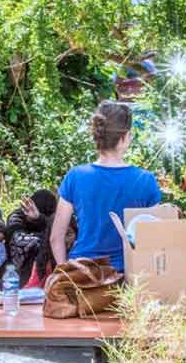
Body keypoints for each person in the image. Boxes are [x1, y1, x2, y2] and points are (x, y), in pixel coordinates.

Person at [51, 101, 162, 272]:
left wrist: (66, 275)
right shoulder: (145, 180)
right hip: (129, 277)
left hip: (83, 272)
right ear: (125, 137)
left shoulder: (75, 176)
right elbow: (154, 239)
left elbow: (56, 238)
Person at [5, 190, 58, 281]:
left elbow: (58, 233)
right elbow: (20, 240)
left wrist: (39, 219)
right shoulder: (17, 216)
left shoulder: (46, 218)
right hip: (19, 267)